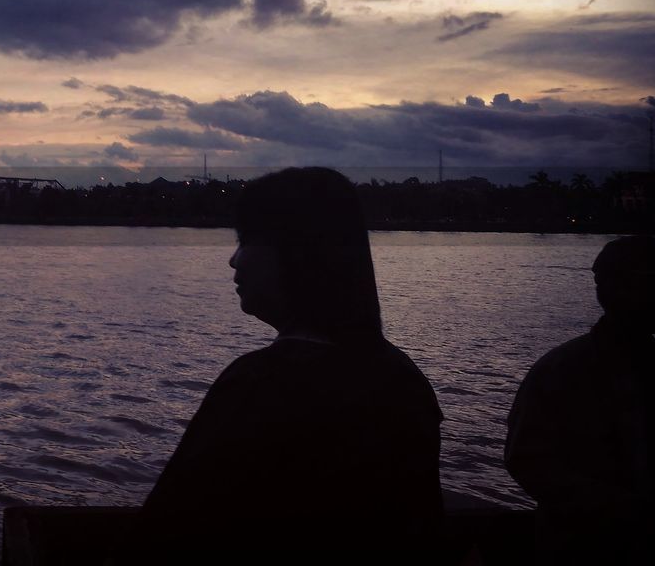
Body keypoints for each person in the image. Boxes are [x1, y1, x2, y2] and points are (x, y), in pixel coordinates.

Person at [115, 167, 444, 563]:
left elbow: (164, 532)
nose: (233, 261)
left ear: (296, 253)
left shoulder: (262, 383)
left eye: (247, 240)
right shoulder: (402, 379)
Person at [505, 235, 655, 564]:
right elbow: (528, 461)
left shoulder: (559, 367)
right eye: (654, 283)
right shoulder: (562, 371)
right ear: (623, 291)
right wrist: (624, 508)